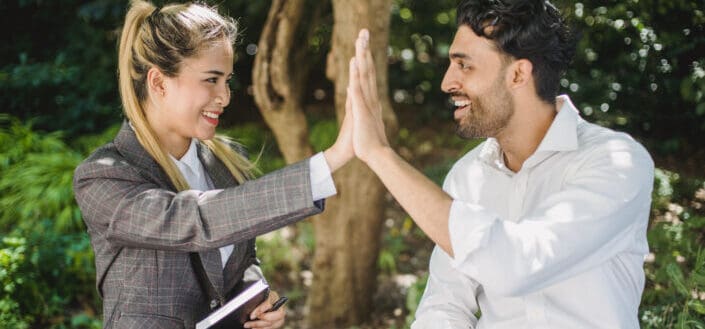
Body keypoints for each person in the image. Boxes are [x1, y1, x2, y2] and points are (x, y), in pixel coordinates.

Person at [346, 1, 654, 328]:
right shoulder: (467, 177)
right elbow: (446, 306)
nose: (447, 82)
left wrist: (379, 153)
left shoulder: (615, 162)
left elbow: (518, 262)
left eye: (464, 66)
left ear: (518, 74)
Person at [72, 1, 352, 328]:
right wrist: (334, 159)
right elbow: (200, 220)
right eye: (211, 79)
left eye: (227, 80)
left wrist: (256, 297)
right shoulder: (104, 177)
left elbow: (242, 259)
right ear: (159, 83)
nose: (226, 96)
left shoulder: (227, 162)